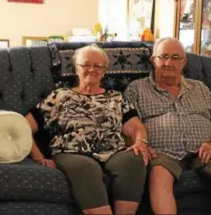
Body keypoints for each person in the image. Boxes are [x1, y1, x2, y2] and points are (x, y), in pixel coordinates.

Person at [124, 37, 211, 215]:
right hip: (161, 152)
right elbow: (128, 127)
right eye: (163, 56)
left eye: (175, 58)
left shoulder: (200, 88)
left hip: (204, 150)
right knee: (158, 175)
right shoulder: (136, 89)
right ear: (153, 60)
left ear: (184, 62)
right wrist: (141, 145)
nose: (168, 62)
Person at [25, 44, 149, 215]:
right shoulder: (59, 96)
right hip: (71, 151)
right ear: (76, 69)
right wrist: (38, 157)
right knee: (87, 168)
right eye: (86, 65)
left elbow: (135, 127)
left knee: (134, 159)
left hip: (113, 151)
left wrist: (140, 142)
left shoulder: (116, 97)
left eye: (98, 66)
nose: (92, 69)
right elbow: (23, 127)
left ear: (104, 71)